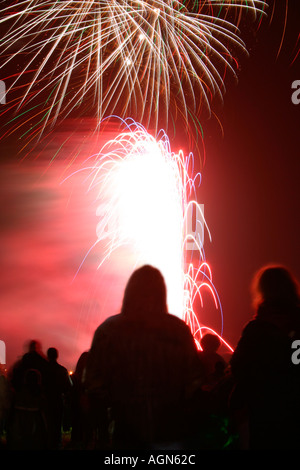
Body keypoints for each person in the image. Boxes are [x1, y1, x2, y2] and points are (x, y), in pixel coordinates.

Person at [84, 265, 202, 449]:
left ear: (129, 292)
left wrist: (113, 410)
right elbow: (194, 382)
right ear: (162, 292)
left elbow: (94, 384)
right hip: (171, 431)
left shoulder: (108, 331)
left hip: (127, 432)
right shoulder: (179, 331)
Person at [230, 264, 300, 449]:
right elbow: (295, 359)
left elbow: (237, 366)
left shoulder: (256, 329)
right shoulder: (296, 322)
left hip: (263, 411)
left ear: (262, 291)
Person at [45, 347, 73, 449]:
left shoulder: (43, 370)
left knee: (47, 425)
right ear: (57, 356)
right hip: (57, 401)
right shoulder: (62, 370)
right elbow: (69, 387)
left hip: (46, 401)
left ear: (47, 355)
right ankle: (56, 444)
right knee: (57, 425)